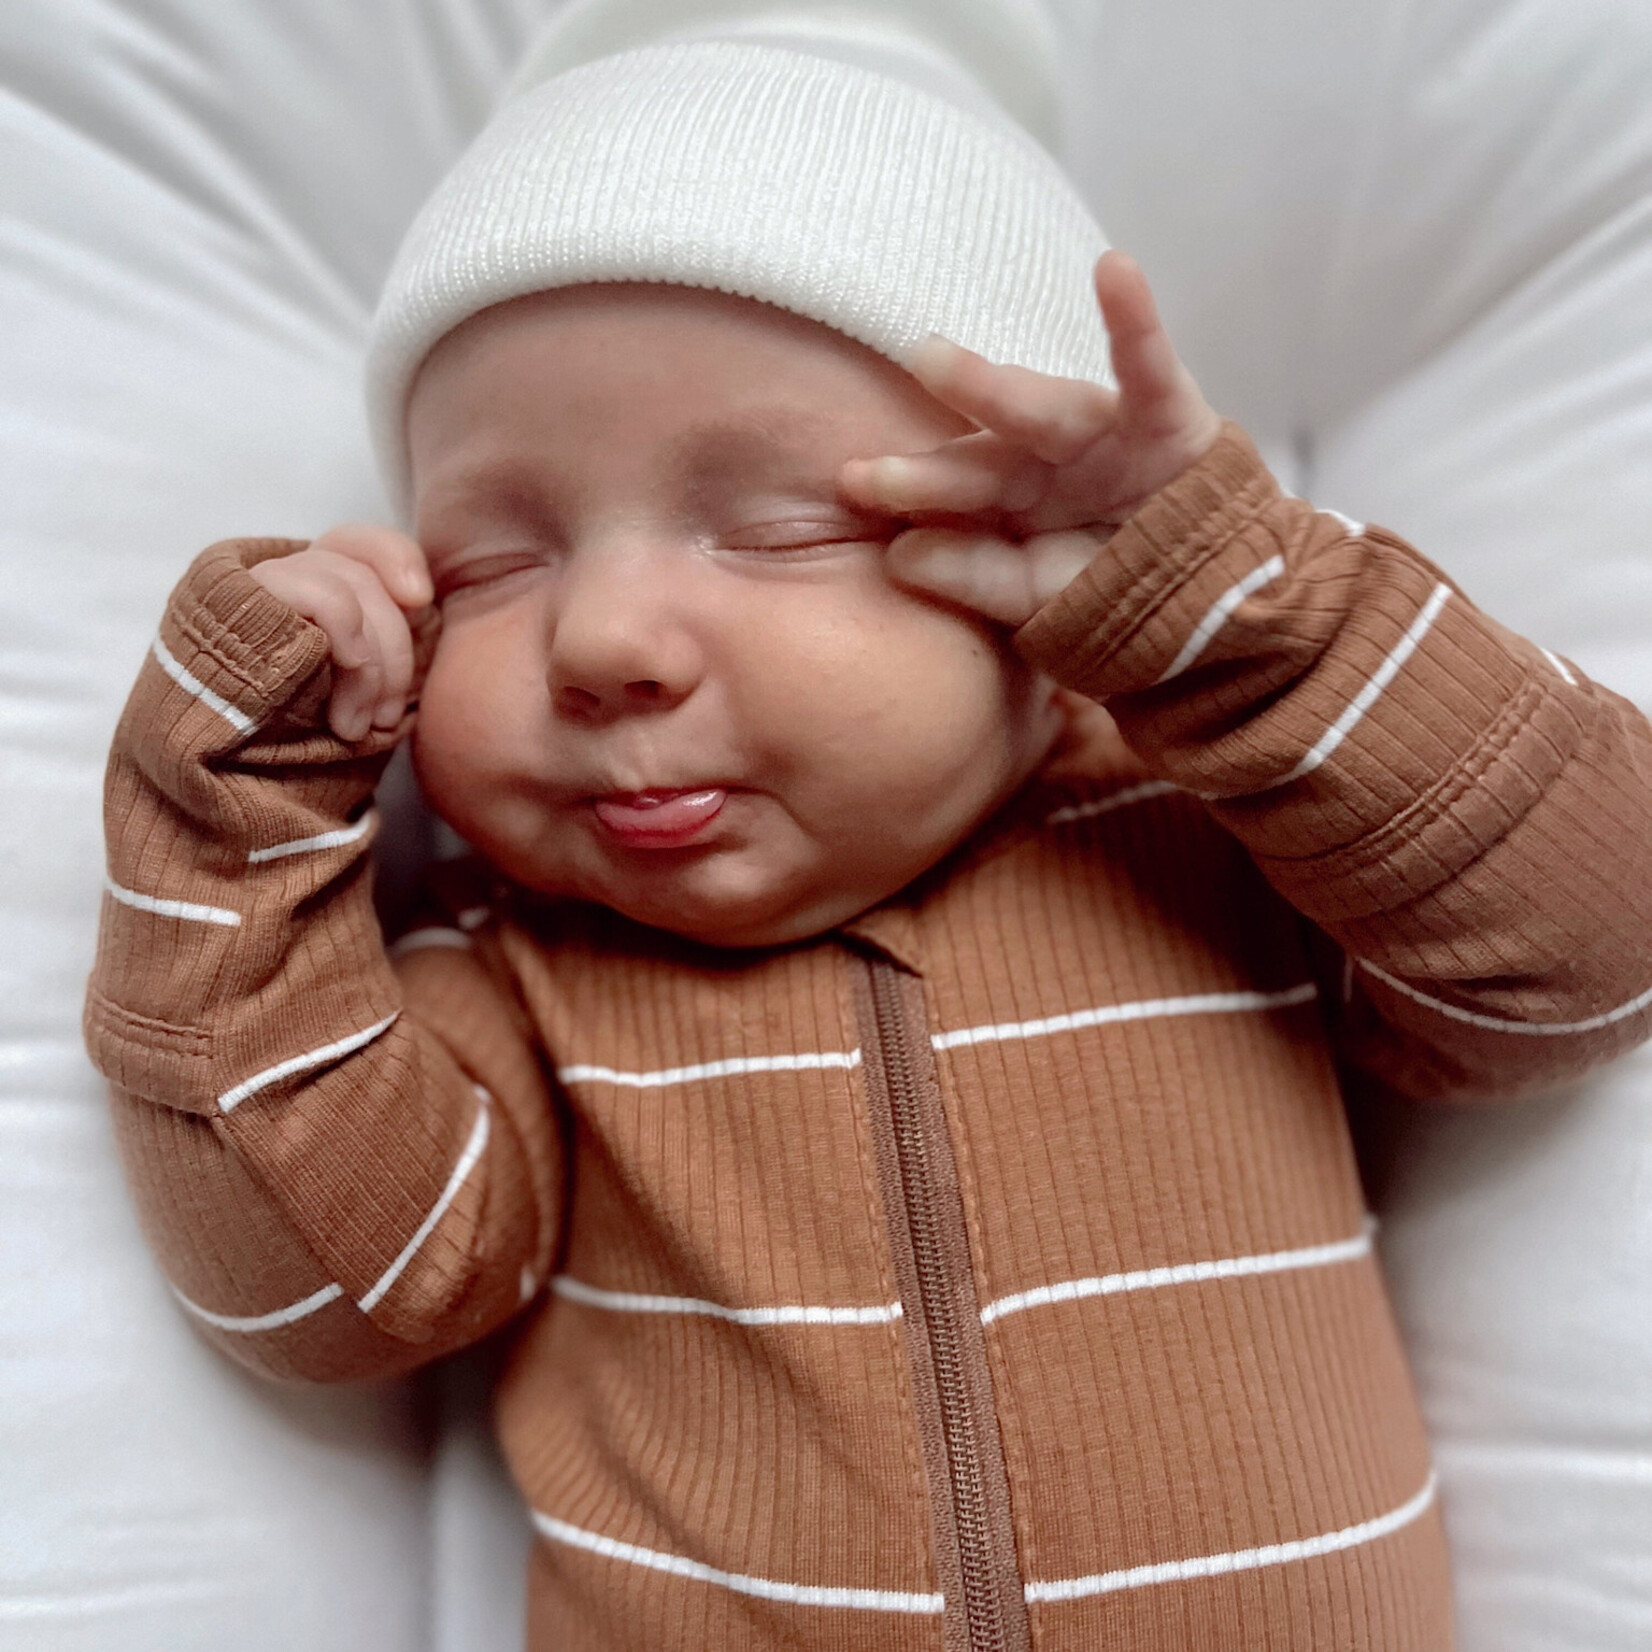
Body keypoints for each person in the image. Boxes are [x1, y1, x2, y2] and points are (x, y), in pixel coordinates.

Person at [82, 8, 1652, 1649]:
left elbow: (1587, 957)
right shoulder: (516, 963)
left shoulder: (1215, 824)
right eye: (488, 563)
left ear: (1049, 555)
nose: (602, 639)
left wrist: (1232, 618)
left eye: (776, 528)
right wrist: (233, 811)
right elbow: (318, 1300)